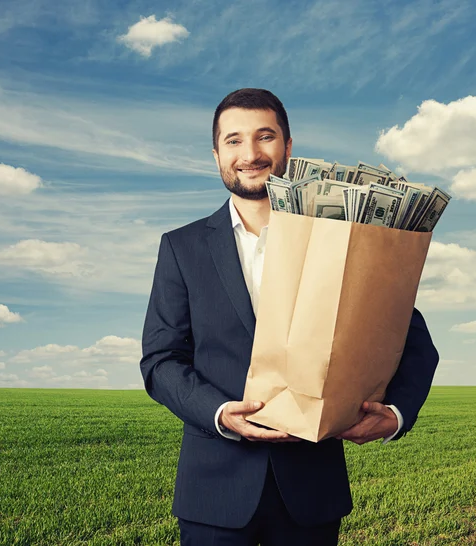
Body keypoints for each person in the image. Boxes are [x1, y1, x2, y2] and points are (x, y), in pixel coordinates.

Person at [140, 88, 439, 546]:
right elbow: (160, 361)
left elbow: (410, 338)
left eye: (265, 137)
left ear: (288, 147)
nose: (251, 154)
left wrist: (396, 414)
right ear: (217, 153)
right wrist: (220, 414)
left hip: (311, 492)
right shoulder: (182, 247)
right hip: (214, 494)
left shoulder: (340, 239)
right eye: (234, 140)